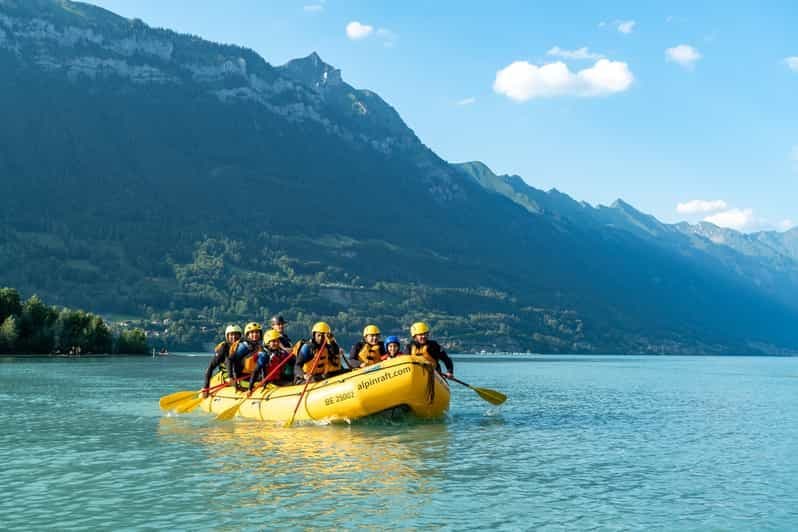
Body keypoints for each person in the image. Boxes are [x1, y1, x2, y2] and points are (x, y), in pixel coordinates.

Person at [202, 324, 242, 397]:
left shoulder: (243, 347)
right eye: (231, 335)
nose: (234, 337)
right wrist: (206, 387)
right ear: (227, 336)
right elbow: (210, 368)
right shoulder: (223, 348)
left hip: (238, 377)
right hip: (224, 377)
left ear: (240, 336)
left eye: (236, 334)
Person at [226, 322, 265, 390]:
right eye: (252, 333)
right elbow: (229, 359)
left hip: (255, 376)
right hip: (243, 378)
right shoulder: (244, 346)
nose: (255, 334)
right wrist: (230, 377)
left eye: (257, 332)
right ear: (248, 335)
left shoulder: (260, 346)